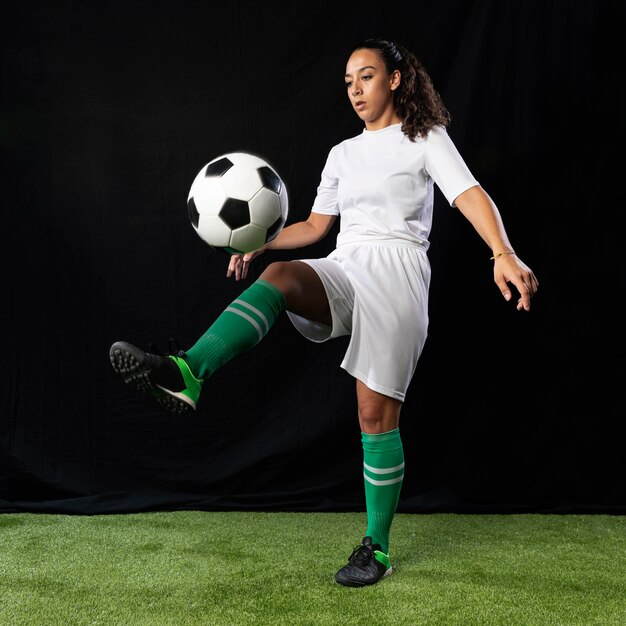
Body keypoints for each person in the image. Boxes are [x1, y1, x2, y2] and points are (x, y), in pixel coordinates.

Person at [109, 37, 539, 587]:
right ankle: (190, 372)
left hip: (400, 276)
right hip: (348, 263)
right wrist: (264, 244)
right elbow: (316, 227)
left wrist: (501, 252)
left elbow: (470, 193)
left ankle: (376, 548)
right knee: (281, 276)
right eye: (348, 81)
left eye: (366, 76)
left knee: (374, 418)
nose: (355, 90)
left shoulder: (424, 138)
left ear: (395, 80)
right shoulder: (343, 153)